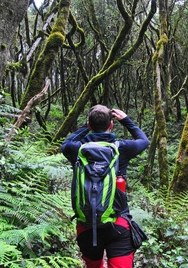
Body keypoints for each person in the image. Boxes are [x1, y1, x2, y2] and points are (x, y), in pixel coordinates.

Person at [61, 105, 149, 268]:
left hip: (86, 225)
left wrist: (86, 126)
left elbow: (66, 143)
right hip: (118, 223)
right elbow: (144, 141)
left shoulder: (76, 150)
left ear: (88, 125)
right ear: (111, 125)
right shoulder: (122, 148)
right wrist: (126, 120)